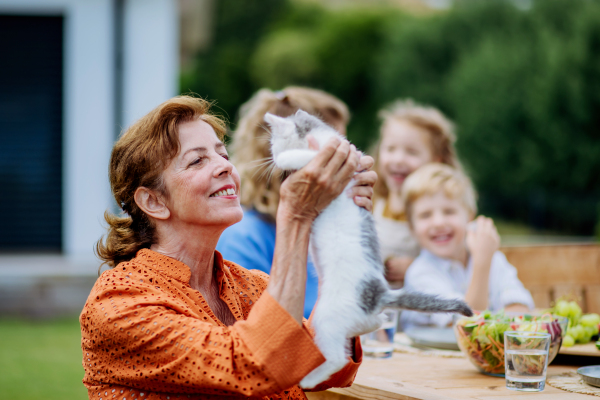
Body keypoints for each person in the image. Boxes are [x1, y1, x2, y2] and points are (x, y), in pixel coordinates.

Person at [80, 96, 377, 399]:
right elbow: (254, 365)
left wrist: (345, 227)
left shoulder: (250, 285)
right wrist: (298, 215)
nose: (224, 166)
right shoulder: (118, 304)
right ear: (153, 202)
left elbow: (321, 362)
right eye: (197, 160)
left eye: (222, 153)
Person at [216, 87, 374, 318]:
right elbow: (263, 334)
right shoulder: (243, 236)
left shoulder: (325, 223)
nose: (348, 156)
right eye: (334, 150)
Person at [399, 163, 534, 329]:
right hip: (431, 355)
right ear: (412, 227)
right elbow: (467, 326)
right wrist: (481, 264)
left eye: (449, 211)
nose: (439, 222)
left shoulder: (493, 258)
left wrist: (484, 259)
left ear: (469, 217)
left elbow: (520, 308)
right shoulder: (420, 274)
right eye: (425, 215)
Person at [370, 100, 462, 288]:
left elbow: (458, 264)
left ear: (436, 161)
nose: (398, 159)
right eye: (390, 149)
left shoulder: (444, 213)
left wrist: (417, 268)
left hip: (423, 311)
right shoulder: (372, 202)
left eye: (411, 152)